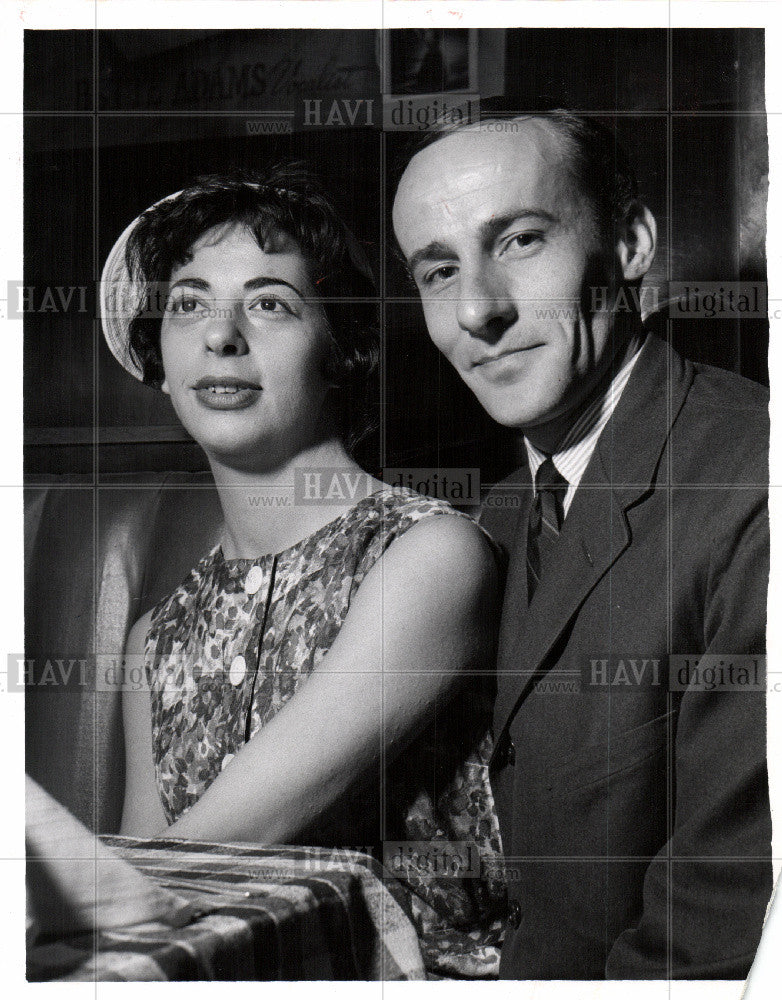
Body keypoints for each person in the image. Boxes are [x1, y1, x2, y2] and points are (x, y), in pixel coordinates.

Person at [392, 112, 772, 979]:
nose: (478, 309)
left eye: (520, 240)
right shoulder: (489, 520)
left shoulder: (753, 487)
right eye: (439, 270)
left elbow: (710, 948)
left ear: (633, 244)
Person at [102, 166, 506, 976]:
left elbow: (189, 853)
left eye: (268, 303)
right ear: (158, 354)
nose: (220, 336)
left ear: (341, 348)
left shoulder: (427, 555)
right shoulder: (156, 638)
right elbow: (144, 889)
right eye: (187, 304)